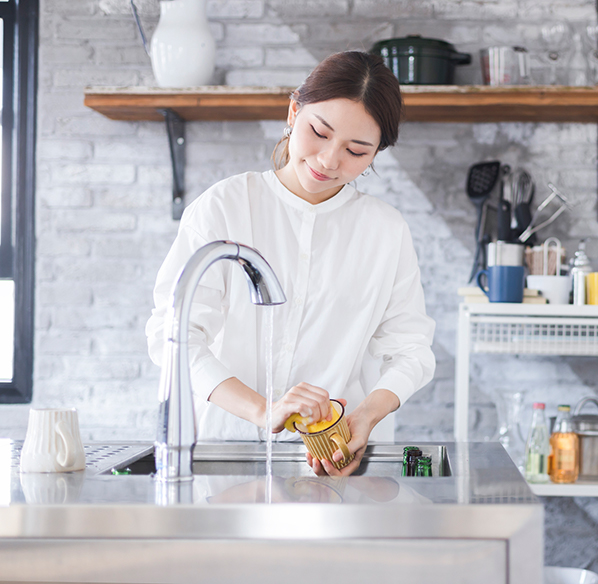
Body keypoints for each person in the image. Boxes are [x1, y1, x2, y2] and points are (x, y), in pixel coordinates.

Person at [145, 51, 436, 477]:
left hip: (334, 459)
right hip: (227, 454)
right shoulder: (226, 206)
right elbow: (173, 335)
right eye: (319, 132)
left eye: (356, 151)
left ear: (375, 154)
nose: (329, 161)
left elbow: (411, 350)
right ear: (293, 111)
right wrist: (264, 410)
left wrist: (367, 415)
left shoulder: (385, 231)